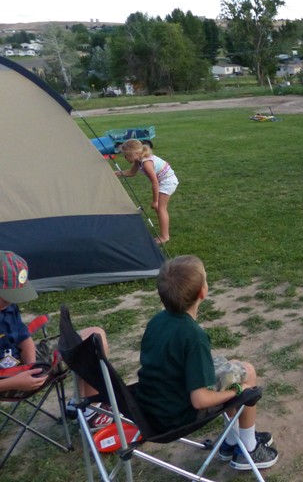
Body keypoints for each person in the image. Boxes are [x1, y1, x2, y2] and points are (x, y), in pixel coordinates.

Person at [135, 255, 278, 471]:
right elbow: (200, 400)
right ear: (203, 292)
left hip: (152, 405)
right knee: (246, 372)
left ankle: (231, 442)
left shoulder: (157, 321)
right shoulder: (193, 336)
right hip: (176, 416)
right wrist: (239, 390)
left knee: (233, 366)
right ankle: (248, 448)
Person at [0, 251, 112, 429]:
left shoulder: (7, 306)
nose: (10, 301)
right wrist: (16, 382)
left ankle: (84, 404)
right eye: (7, 296)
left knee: (93, 337)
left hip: (23, 365)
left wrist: (32, 365)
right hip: (8, 380)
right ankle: (91, 412)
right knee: (88, 346)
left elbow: (23, 337)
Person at [115, 139, 178, 244]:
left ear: (135, 153)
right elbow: (131, 173)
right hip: (162, 181)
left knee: (160, 208)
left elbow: (155, 183)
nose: (125, 158)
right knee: (159, 209)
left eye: (127, 155)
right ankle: (164, 230)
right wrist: (116, 173)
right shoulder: (138, 161)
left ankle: (164, 237)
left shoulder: (146, 163)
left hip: (167, 182)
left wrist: (155, 201)